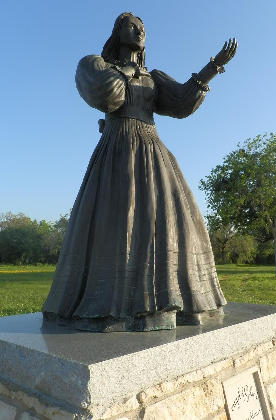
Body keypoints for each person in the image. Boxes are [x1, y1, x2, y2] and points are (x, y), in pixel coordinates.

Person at [42, 12, 237, 331]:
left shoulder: (153, 77)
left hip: (152, 150)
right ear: (117, 33)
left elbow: (182, 102)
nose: (140, 31)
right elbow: (110, 95)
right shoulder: (101, 67)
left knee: (165, 223)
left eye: (143, 28)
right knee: (116, 221)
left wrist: (213, 66)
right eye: (132, 26)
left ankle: (168, 301)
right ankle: (111, 303)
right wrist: (126, 70)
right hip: (117, 148)